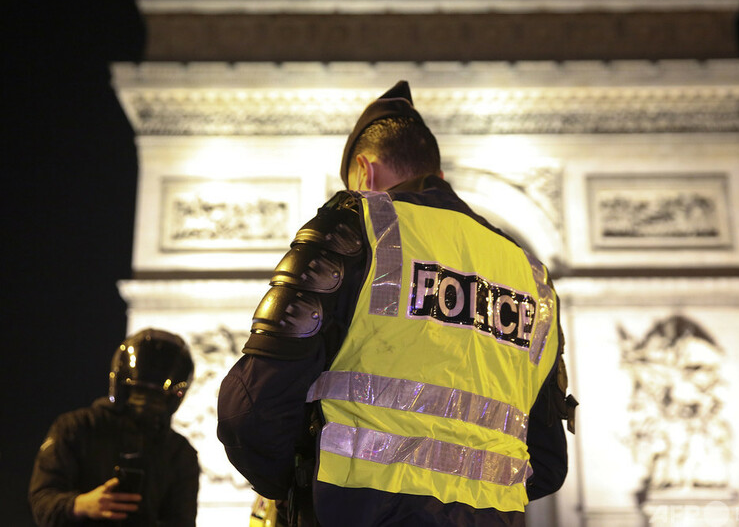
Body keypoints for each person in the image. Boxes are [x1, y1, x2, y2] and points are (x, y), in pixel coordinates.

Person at [217, 81, 576, 526]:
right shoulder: (533, 278)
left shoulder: (356, 224)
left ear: (364, 173)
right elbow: (545, 461)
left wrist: (297, 493)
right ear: (438, 176)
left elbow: (249, 412)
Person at [29, 328, 200, 527]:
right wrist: (81, 505)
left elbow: (182, 521)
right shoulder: (74, 428)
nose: (146, 402)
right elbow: (42, 499)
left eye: (157, 396)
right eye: (140, 390)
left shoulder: (180, 452)